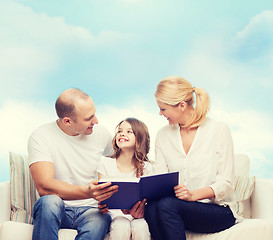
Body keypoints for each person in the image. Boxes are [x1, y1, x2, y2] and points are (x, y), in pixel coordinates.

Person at [144, 76, 237, 240]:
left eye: (163, 109)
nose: (160, 114)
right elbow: (160, 179)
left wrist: (193, 195)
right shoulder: (163, 135)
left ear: (181, 106)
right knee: (151, 208)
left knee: (166, 205)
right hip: (177, 207)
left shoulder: (218, 130)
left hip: (217, 210)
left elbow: (226, 183)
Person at [28, 88, 118, 240]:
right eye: (89, 118)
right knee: (49, 201)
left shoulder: (101, 133)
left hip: (92, 210)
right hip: (59, 209)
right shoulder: (41, 136)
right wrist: (88, 192)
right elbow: (44, 186)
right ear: (67, 121)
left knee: (100, 218)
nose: (96, 121)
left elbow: (122, 163)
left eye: (94, 114)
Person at [97, 117, 152, 240]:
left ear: (140, 137)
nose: (122, 134)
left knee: (141, 226)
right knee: (121, 225)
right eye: (120, 131)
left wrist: (142, 209)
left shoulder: (147, 168)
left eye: (129, 131)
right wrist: (101, 205)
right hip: (114, 216)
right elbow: (101, 195)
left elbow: (150, 199)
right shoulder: (105, 163)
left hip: (138, 217)